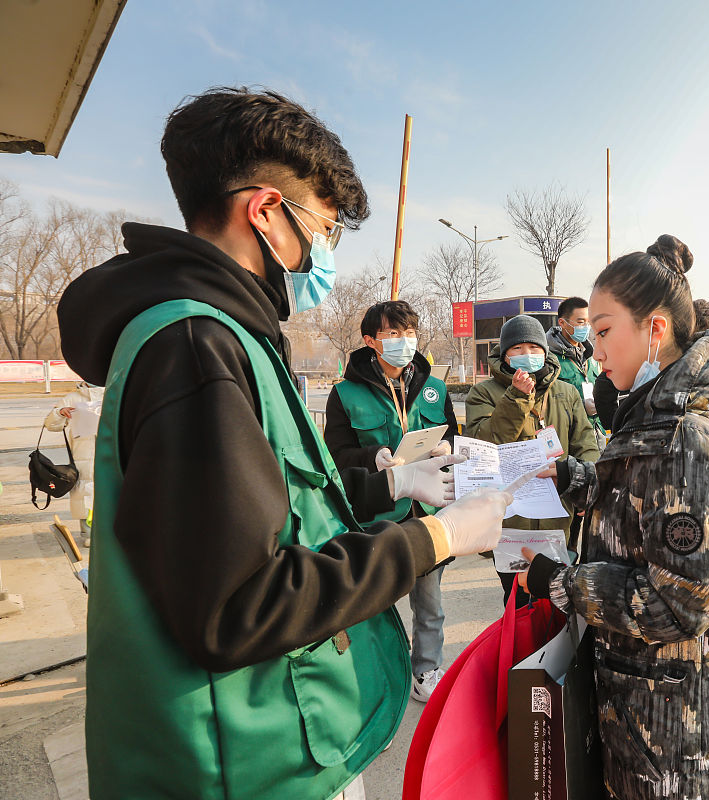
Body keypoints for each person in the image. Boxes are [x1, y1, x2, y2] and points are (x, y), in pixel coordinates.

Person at [56, 87, 511, 800]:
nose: (324, 254)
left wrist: (395, 486)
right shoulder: (194, 345)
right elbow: (241, 604)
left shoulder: (230, 335)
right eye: (324, 229)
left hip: (280, 738)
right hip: (243, 762)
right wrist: (437, 539)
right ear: (265, 211)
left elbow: (279, 500)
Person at [521, 234, 709, 800]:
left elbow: (677, 603)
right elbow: (649, 507)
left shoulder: (687, 438)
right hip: (661, 724)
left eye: (605, 331)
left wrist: (560, 583)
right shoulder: (659, 411)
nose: (596, 349)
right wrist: (578, 482)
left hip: (685, 748)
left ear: (655, 329)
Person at [322, 300, 458, 703]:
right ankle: (375, 683)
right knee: (374, 603)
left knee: (430, 601)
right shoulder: (344, 394)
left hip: (428, 508)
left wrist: (446, 445)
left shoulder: (433, 387)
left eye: (410, 333)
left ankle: (426, 670)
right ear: (370, 341)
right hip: (379, 511)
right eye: (393, 334)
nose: (405, 341)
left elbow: (452, 429)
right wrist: (374, 457)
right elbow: (337, 455)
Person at [465, 314, 599, 604]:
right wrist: (516, 398)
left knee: (558, 598)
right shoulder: (483, 394)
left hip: (557, 516)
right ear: (504, 354)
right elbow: (482, 445)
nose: (527, 355)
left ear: (545, 351)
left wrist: (585, 488)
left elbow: (585, 444)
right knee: (518, 601)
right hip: (512, 520)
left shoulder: (565, 392)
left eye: (534, 348)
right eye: (518, 349)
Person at [43, 380, 105, 544]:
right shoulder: (72, 398)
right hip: (82, 455)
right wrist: (60, 413)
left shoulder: (115, 395)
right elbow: (50, 425)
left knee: (109, 492)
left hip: (110, 451)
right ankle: (89, 534)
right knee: (84, 494)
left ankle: (111, 534)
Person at [547, 296, 606, 450]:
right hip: (568, 437)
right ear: (562, 323)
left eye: (588, 322)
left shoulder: (592, 355)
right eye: (580, 322)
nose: (586, 327)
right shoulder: (550, 359)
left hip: (596, 431)